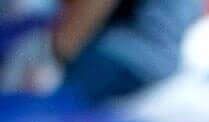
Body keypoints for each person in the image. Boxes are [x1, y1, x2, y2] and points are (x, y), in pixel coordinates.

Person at [52, 0, 200, 103]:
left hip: (122, 58)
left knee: (53, 115)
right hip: (165, 65)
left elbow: (67, 43)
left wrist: (57, 50)